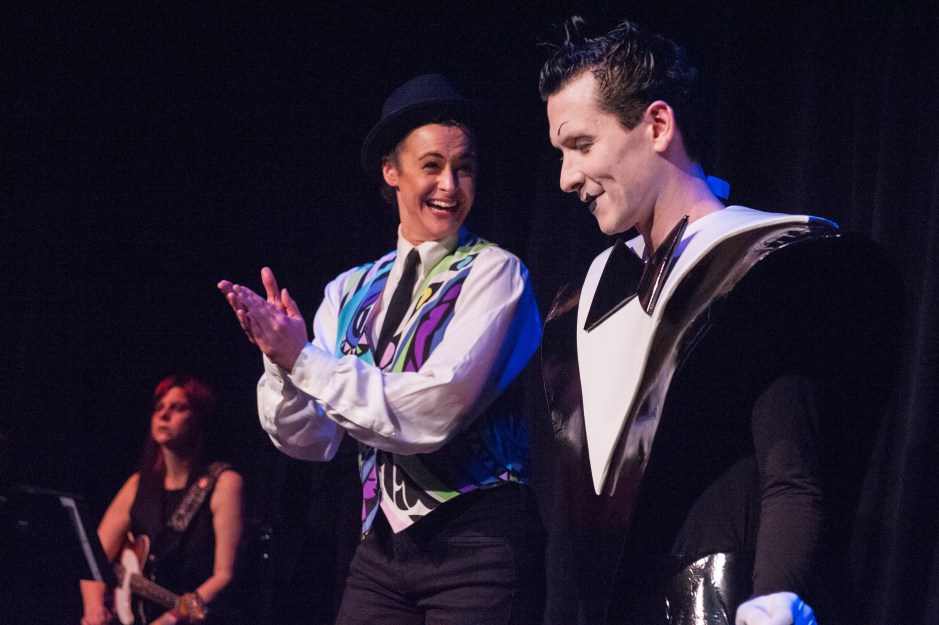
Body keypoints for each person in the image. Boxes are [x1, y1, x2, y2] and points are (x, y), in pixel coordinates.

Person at [538, 17, 900, 625]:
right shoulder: (592, 294)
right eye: (560, 153)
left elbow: (793, 475)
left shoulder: (760, 266)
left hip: (723, 603)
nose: (566, 177)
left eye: (582, 145)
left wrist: (776, 597)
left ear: (657, 126)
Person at [218, 73, 545, 624]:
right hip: (383, 549)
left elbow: (436, 410)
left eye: (464, 167)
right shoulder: (348, 290)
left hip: (479, 543)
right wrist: (281, 364)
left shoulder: (495, 273)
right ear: (392, 171)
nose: (450, 185)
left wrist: (303, 359)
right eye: (432, 165)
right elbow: (313, 439)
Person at [79, 376, 244, 625]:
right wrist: (94, 608)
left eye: (177, 408)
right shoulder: (138, 484)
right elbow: (95, 558)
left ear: (199, 419)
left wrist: (169, 619)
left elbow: (224, 576)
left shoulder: (224, 483)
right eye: (159, 408)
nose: (164, 415)